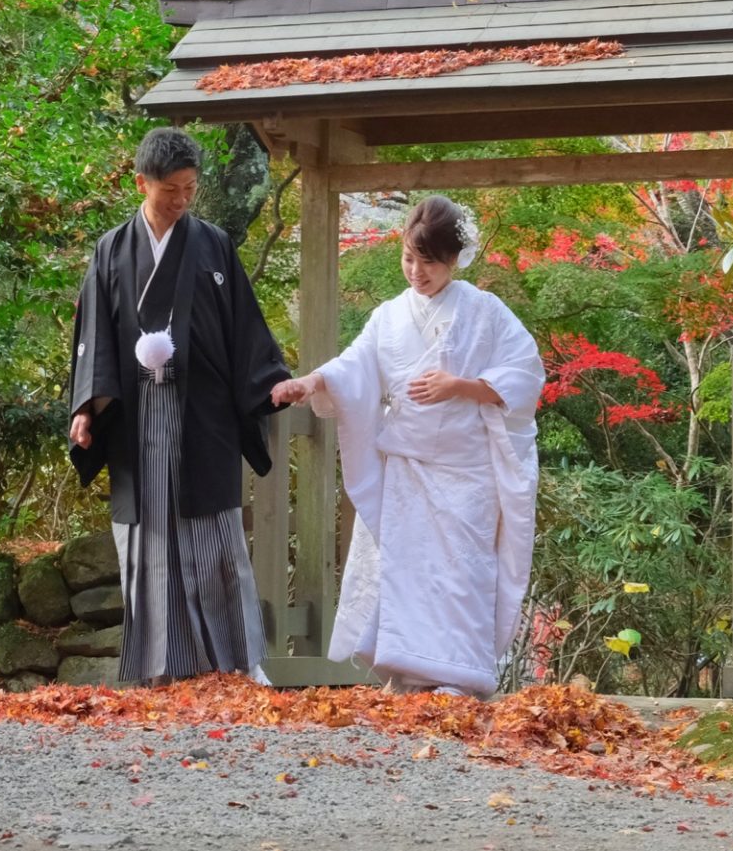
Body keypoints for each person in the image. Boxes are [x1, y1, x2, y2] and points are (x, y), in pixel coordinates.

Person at [272, 196, 542, 696]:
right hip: (409, 467)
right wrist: (309, 383)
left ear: (455, 260)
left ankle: (459, 678)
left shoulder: (486, 311)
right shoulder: (389, 316)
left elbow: (525, 375)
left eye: (430, 262)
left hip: (468, 470)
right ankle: (409, 675)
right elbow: (355, 366)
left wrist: (460, 385)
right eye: (409, 259)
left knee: (461, 573)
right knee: (407, 570)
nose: (417, 272)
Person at [68, 127, 292, 684]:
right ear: (141, 182)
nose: (182, 199)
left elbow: (244, 326)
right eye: (171, 189)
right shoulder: (112, 250)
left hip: (203, 414)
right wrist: (85, 409)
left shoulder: (213, 244)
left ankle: (239, 662)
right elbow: (93, 335)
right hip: (136, 415)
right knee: (149, 539)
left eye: (191, 188)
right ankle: (157, 666)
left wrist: (270, 383)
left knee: (213, 533)